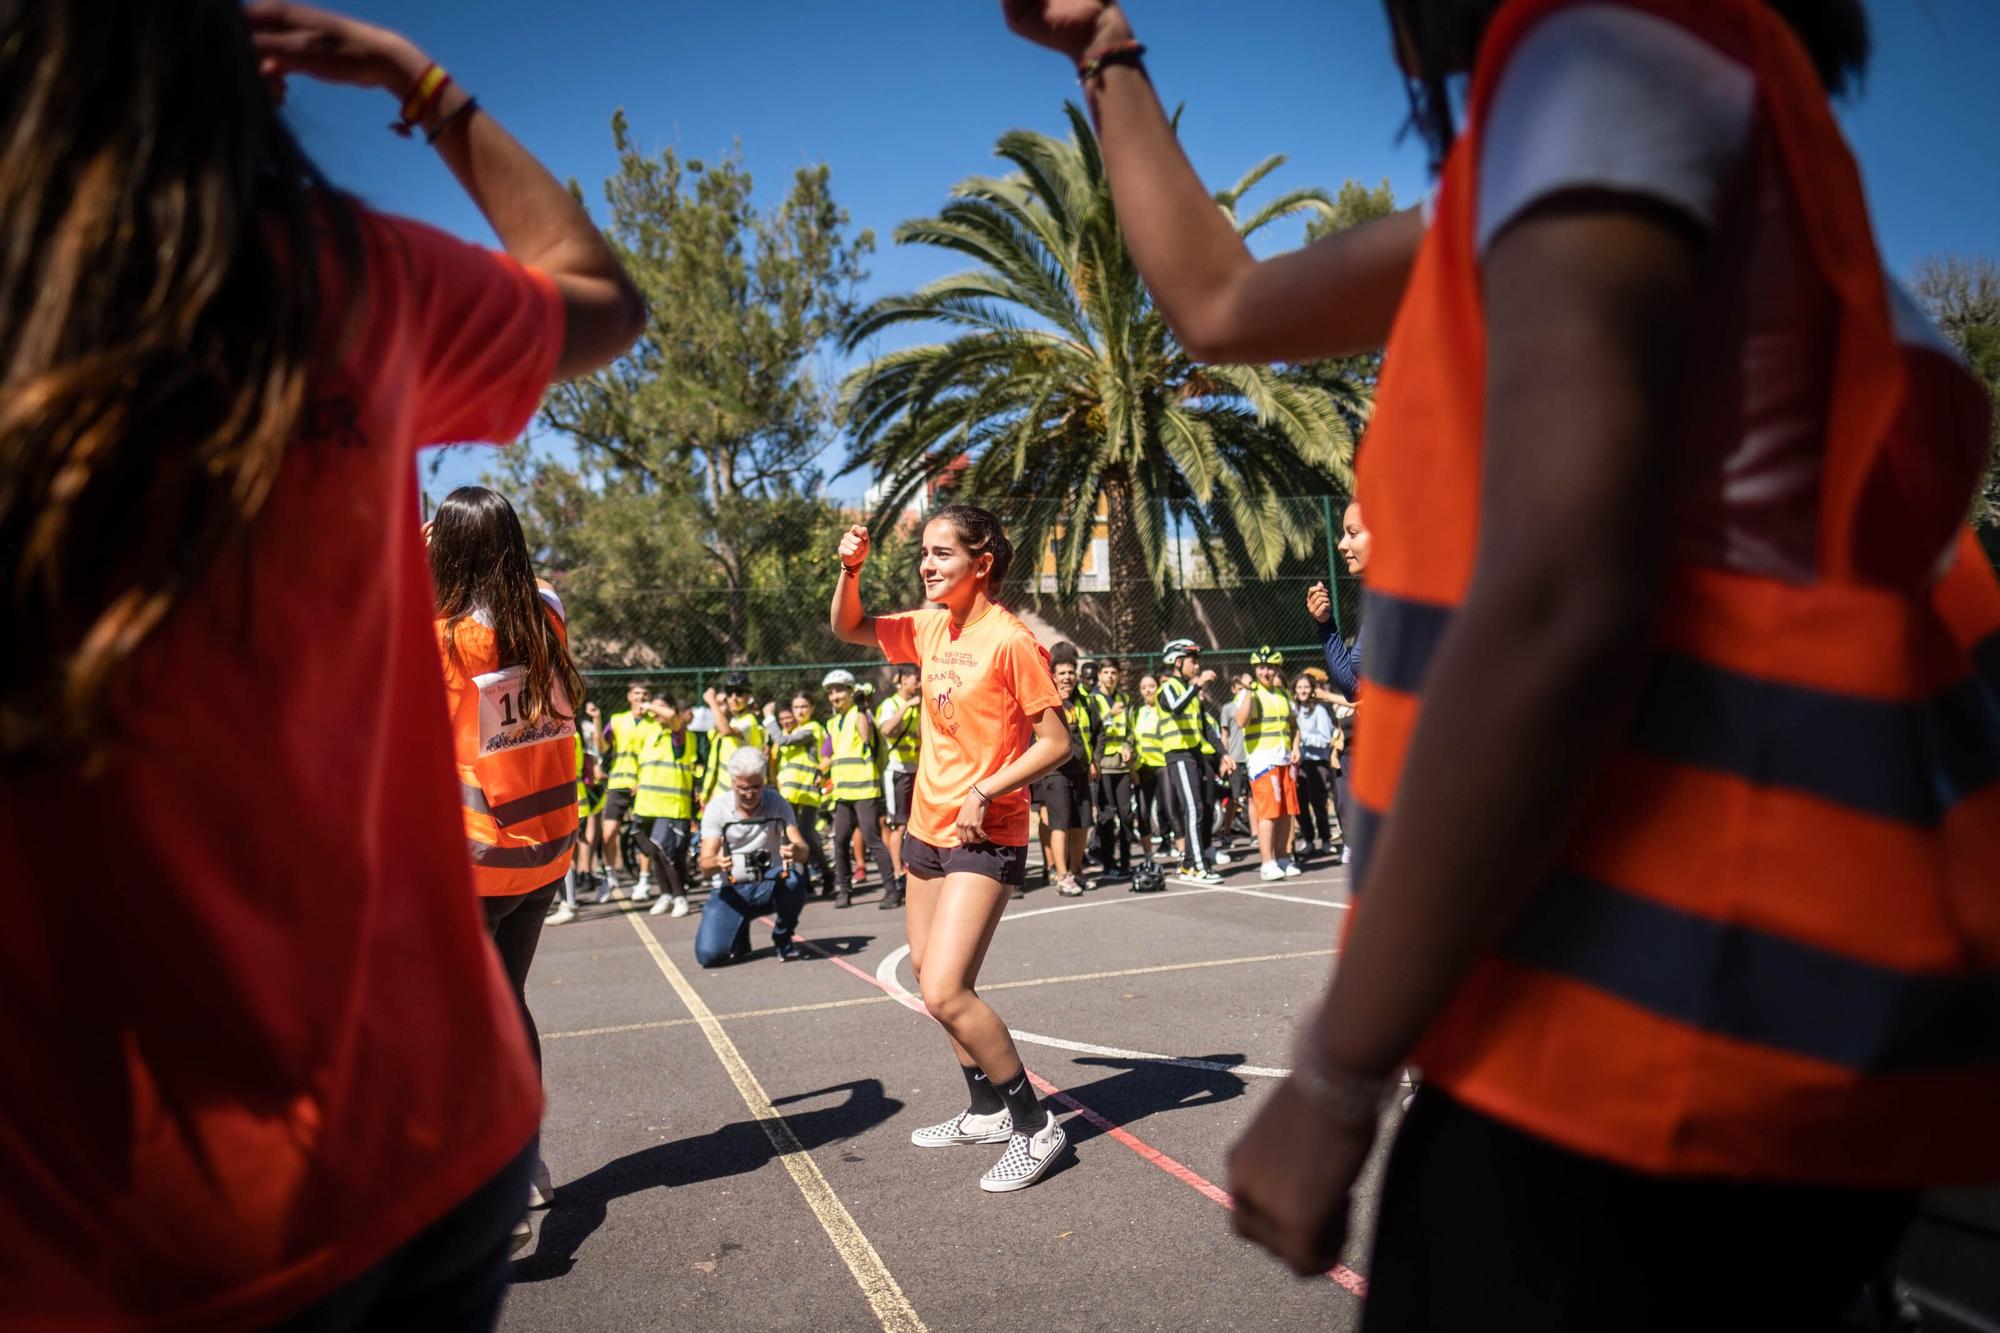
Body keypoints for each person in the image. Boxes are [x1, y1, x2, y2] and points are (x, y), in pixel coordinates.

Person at [1005, 0, 2000, 1324]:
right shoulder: (1656, 126)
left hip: (1657, 1051)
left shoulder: (1605, 57)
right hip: (1763, 1035)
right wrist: (1104, 50)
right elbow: (1223, 302)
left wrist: (1339, 1073)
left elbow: (1564, 597)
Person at [0, 0, 645, 1322]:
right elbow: (600, 298)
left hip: (130, 1209)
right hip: (436, 1114)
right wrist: (422, 83)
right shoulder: (345, 272)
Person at [830, 505, 1075, 1192]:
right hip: (925, 832)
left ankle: (1035, 1125)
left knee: (946, 986)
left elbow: (1057, 742)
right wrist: (851, 569)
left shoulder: (1010, 640)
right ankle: (984, 1107)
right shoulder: (930, 624)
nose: (927, 565)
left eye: (942, 554)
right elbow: (848, 625)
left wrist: (986, 788)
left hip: (986, 832)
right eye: (924, 554)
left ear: (982, 563)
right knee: (932, 992)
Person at [429, 485, 584, 1227]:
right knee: (506, 1004)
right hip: (545, 845)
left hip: (480, 853)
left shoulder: (447, 635)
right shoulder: (545, 613)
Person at [693, 748, 813, 966]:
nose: (749, 794)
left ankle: (783, 937)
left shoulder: (776, 802)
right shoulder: (717, 808)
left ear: (764, 781)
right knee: (708, 956)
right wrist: (718, 863)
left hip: (767, 885)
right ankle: (738, 928)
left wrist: (795, 851)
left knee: (794, 881)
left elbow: (803, 849)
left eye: (756, 787)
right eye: (743, 788)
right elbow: (704, 864)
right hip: (730, 889)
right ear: (732, 783)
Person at [821, 668, 898, 908]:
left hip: (865, 790)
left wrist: (863, 706)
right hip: (843, 792)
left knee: (872, 838)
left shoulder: (861, 715)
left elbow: (866, 738)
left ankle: (892, 891)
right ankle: (844, 890)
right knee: (840, 840)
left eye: (839, 691)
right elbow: (827, 755)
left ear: (850, 692)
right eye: (831, 692)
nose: (835, 696)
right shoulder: (833, 723)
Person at [1032, 644, 1100, 896]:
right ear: (1053, 675)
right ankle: (1061, 876)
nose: (1067, 677)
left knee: (1082, 823)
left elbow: (1094, 731)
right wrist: (1057, 704)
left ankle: (1076, 870)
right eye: (1062, 673)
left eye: (1071, 672)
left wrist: (1094, 760)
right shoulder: (1046, 699)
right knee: (1059, 824)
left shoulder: (1084, 700)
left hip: (1080, 769)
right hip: (1055, 772)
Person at [1153, 640, 1219, 884]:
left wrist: (1223, 755)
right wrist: (1197, 685)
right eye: (1193, 660)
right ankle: (1198, 866)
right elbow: (1175, 708)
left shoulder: (1189, 691)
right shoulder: (1168, 687)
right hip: (1178, 755)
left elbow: (1204, 727)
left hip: (1193, 756)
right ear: (1177, 662)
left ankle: (1189, 865)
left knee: (1199, 807)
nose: (1197, 665)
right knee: (1193, 808)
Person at [636, 696, 705, 919]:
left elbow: (673, 718)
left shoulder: (679, 735)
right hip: (648, 806)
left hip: (671, 807)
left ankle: (680, 897)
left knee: (669, 854)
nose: (655, 711)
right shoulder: (651, 735)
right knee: (655, 852)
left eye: (661, 706)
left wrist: (649, 706)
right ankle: (665, 894)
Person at [1236, 647, 1301, 881]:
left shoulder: (1283, 694)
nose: (1266, 671)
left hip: (1284, 759)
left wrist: (1295, 747)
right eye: (1261, 667)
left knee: (1286, 812)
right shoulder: (1249, 693)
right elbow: (1241, 721)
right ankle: (1267, 862)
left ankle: (1283, 858)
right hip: (1262, 761)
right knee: (1268, 814)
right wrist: (1248, 692)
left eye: (1271, 667)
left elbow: (1293, 725)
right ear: (1255, 669)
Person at [770, 691, 835, 897]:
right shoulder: (793, 730)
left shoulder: (811, 729)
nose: (799, 711)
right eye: (796, 707)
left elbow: (783, 741)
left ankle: (827, 875)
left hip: (806, 793)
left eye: (803, 707)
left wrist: (769, 719)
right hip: (789, 794)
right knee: (792, 839)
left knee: (807, 835)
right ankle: (805, 882)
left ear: (812, 708)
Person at [600, 680, 658, 902]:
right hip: (617, 783)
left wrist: (642, 782)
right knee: (608, 833)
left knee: (642, 835)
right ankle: (610, 875)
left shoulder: (653, 724)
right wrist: (596, 720)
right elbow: (603, 745)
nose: (641, 697)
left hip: (641, 785)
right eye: (637, 693)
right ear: (629, 696)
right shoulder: (617, 720)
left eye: (645, 693)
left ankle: (643, 880)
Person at [876, 662, 924, 909]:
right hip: (896, 770)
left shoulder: (921, 706)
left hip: (916, 769)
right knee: (898, 822)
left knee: (915, 822)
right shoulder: (890, 704)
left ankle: (913, 868)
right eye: (915, 678)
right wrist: (906, 707)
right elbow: (885, 730)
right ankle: (898, 875)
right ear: (903, 680)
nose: (918, 682)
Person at [1089, 659, 1136, 878]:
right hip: (1104, 767)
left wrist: (1128, 746)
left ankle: (1126, 862)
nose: (1110, 676)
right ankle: (1108, 863)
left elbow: (1130, 731)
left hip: (1122, 767)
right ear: (1100, 675)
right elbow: (1092, 729)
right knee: (1106, 816)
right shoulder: (1094, 699)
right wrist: (1108, 715)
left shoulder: (1124, 699)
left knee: (1126, 815)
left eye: (1113, 672)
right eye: (1106, 672)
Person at [700, 670, 767, 806]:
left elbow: (725, 731)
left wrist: (712, 702)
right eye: (730, 693)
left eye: (739, 693)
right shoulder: (732, 720)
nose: (734, 698)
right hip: (721, 793)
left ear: (748, 697)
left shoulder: (749, 721)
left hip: (740, 795)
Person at [1291, 673, 1338, 857]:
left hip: (1317, 762)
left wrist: (1302, 737)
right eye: (1299, 687)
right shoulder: (1293, 710)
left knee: (1319, 803)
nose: (1303, 690)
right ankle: (1309, 840)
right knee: (1300, 804)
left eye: (1306, 687)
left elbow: (1326, 738)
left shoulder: (1319, 710)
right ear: (1294, 690)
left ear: (1312, 690)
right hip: (1299, 763)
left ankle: (1325, 839)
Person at [1132, 673, 1168, 852]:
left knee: (1167, 807)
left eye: (1152, 686)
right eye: (1144, 687)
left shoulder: (1163, 709)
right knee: (1143, 811)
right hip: (1143, 768)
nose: (1148, 690)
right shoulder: (1138, 712)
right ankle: (1148, 856)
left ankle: (1173, 846)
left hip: (1163, 765)